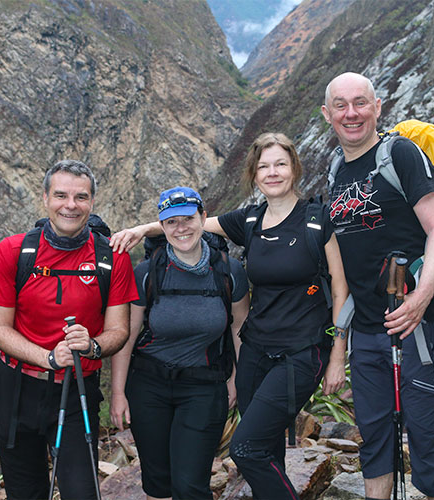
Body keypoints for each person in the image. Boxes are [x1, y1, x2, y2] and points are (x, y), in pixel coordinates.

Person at [111, 134, 349, 500]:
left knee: (246, 448)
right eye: (264, 166)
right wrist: (143, 230)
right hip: (256, 350)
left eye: (280, 164)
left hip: (302, 349)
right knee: (268, 449)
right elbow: (187, 226)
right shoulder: (250, 219)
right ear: (254, 174)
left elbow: (340, 292)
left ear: (294, 168)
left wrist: (337, 356)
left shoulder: (317, 220)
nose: (272, 173)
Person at [321, 72, 434, 500]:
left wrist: (421, 298)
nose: (351, 113)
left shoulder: (400, 153)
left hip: (422, 323)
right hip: (367, 329)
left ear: (378, 107)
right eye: (340, 105)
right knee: (375, 434)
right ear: (327, 115)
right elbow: (345, 269)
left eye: (360, 102)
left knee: (428, 434)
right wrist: (340, 344)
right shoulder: (336, 170)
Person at [0, 160, 138, 500]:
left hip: (77, 387)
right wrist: (49, 357)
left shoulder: (111, 258)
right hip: (16, 388)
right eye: (61, 195)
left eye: (80, 197)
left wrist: (92, 346)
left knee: (81, 491)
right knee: (26, 492)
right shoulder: (14, 251)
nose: (70, 205)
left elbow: (118, 330)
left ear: (92, 202)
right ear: (45, 198)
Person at [109, 186, 250, 500]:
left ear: (203, 218)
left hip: (204, 386)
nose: (181, 228)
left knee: (189, 484)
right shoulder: (148, 273)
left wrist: (236, 380)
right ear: (162, 226)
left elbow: (239, 327)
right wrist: (118, 393)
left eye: (188, 218)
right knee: (158, 482)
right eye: (171, 222)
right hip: (148, 385)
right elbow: (128, 336)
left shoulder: (228, 271)